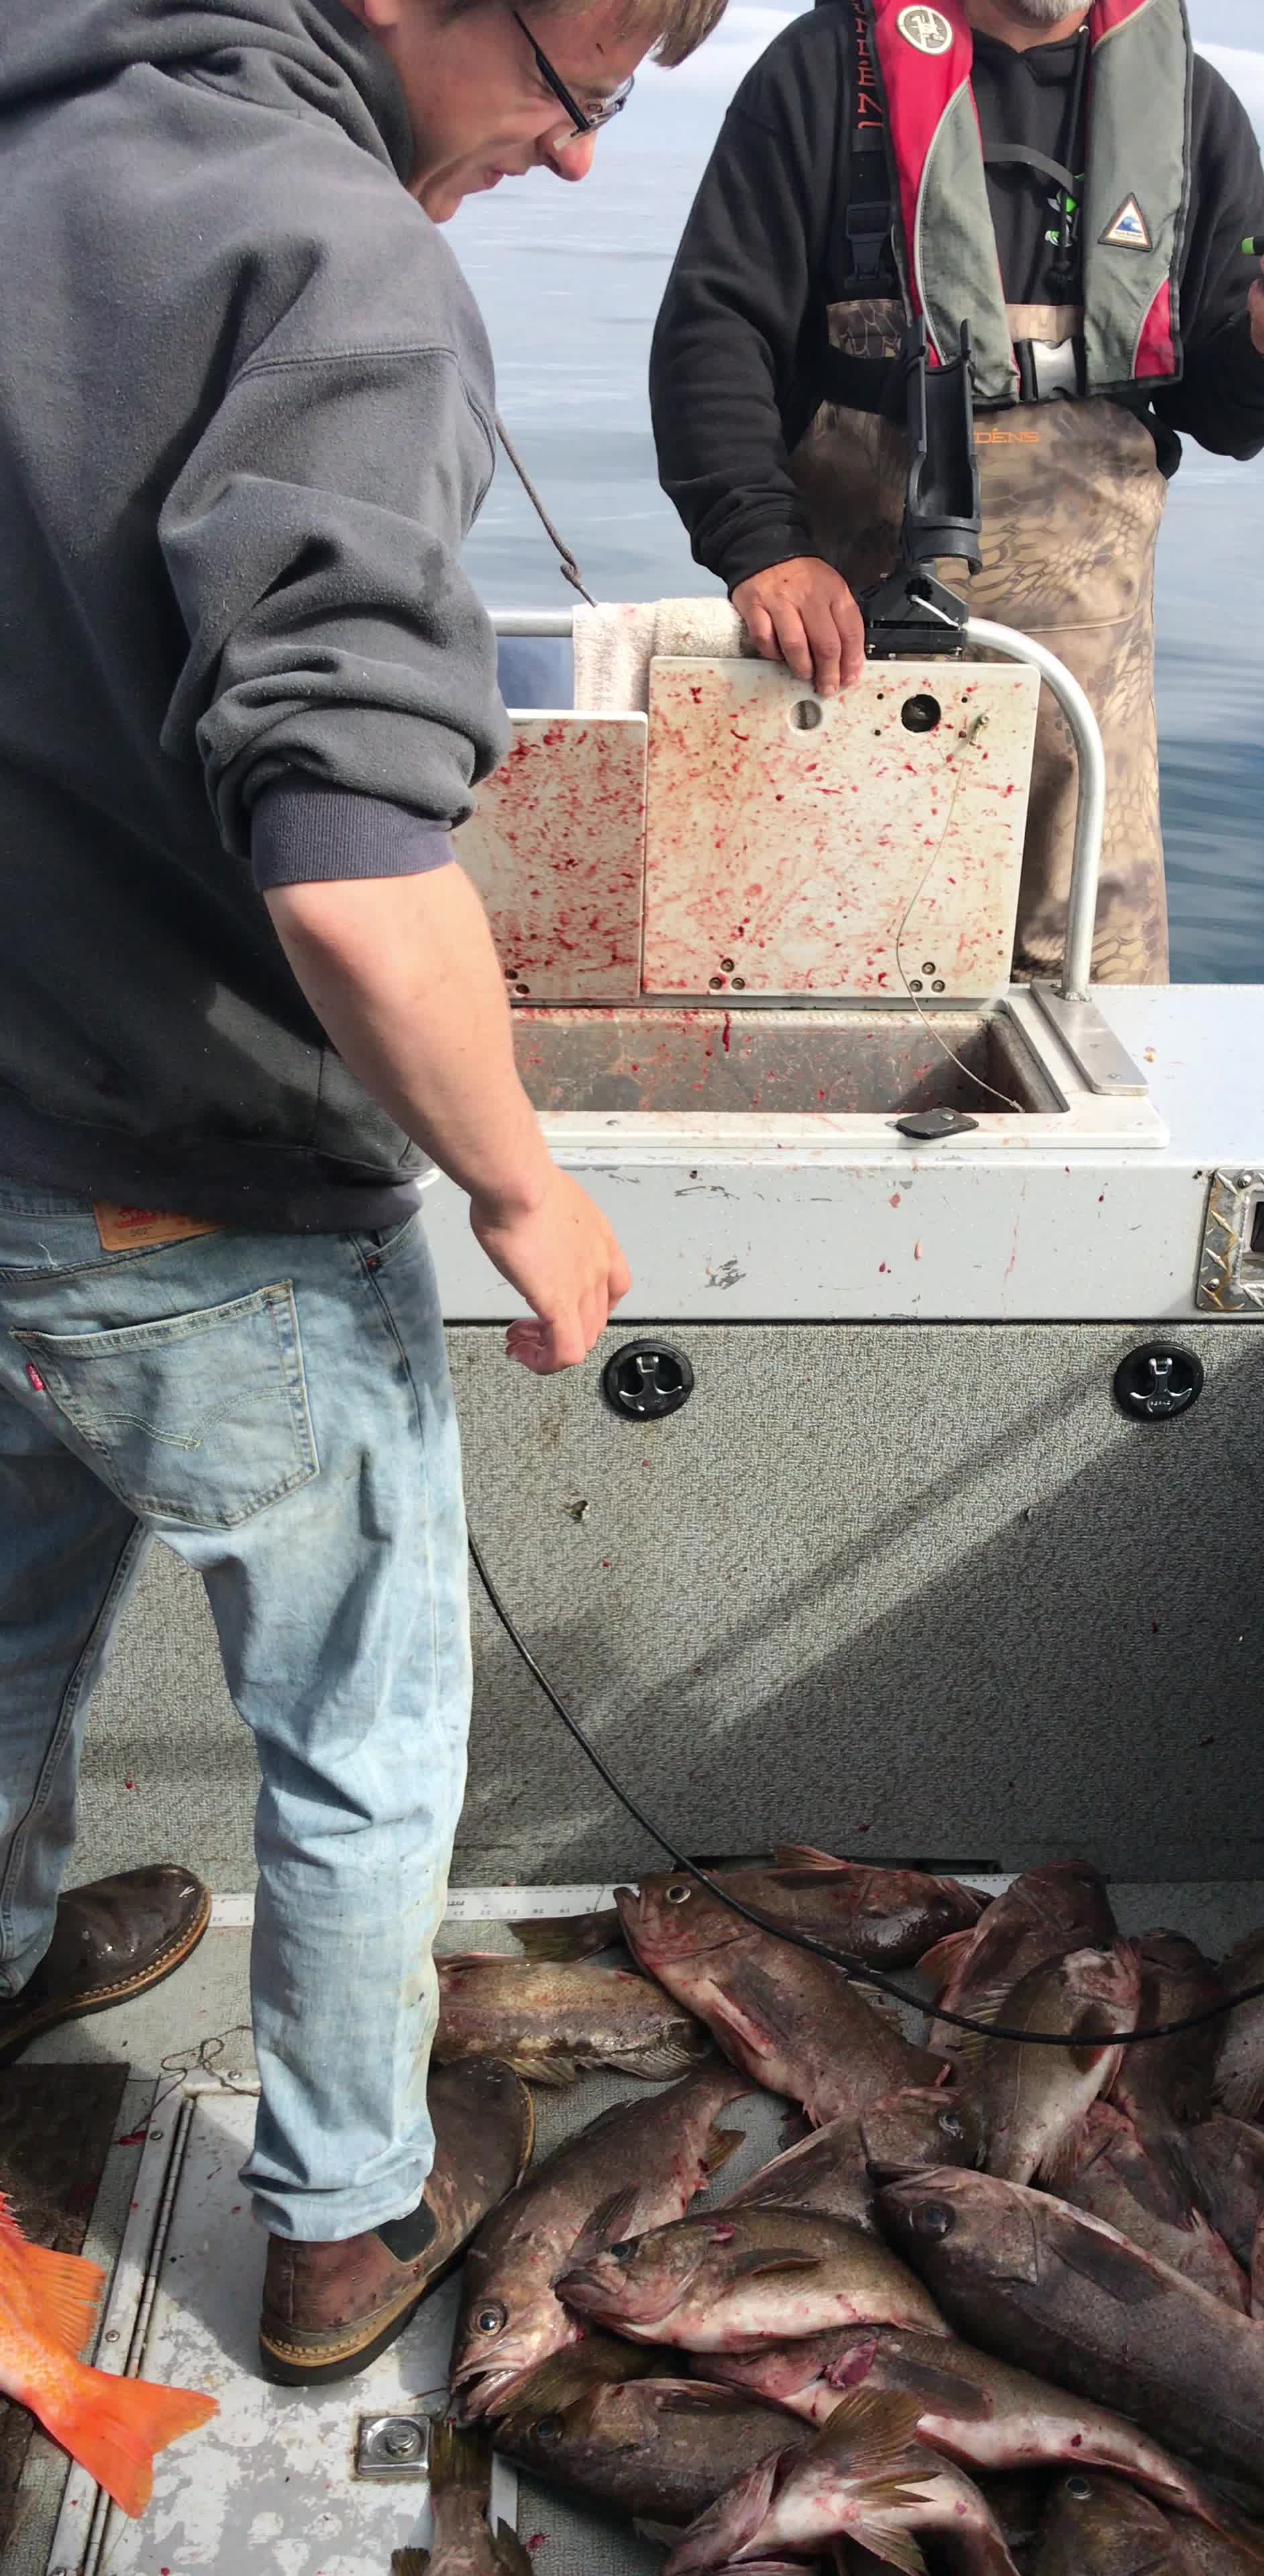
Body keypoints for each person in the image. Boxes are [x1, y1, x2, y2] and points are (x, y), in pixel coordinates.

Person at [0, 0, 719, 2383]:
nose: (581, 156)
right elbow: (342, 861)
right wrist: (519, 1187)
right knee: (362, 1728)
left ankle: (12, 1956)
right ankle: (339, 2216)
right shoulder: (339, 267)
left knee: (3, 1616)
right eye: (583, 82)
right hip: (189, 1189)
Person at [649, 0, 1264, 981]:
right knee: (812, 965)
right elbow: (712, 329)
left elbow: (1228, 414)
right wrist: (762, 543)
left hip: (1090, 707)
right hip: (834, 665)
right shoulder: (821, 74)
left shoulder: (1191, 107)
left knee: (1097, 1015)